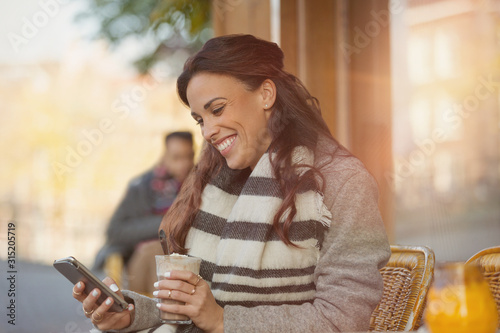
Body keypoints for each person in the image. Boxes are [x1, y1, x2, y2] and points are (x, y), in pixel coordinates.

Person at [72, 34, 391, 333]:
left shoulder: (343, 180)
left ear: (266, 95)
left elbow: (343, 319)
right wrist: (131, 313)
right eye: (200, 119)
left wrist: (224, 321)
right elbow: (201, 308)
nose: (207, 131)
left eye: (218, 109)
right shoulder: (217, 182)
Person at [93, 131, 195, 295]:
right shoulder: (141, 187)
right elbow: (114, 231)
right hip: (141, 259)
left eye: (189, 157)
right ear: (165, 157)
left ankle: (157, 312)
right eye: (176, 157)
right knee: (153, 252)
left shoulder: (197, 186)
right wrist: (165, 223)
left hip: (182, 256)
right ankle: (156, 312)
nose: (184, 163)